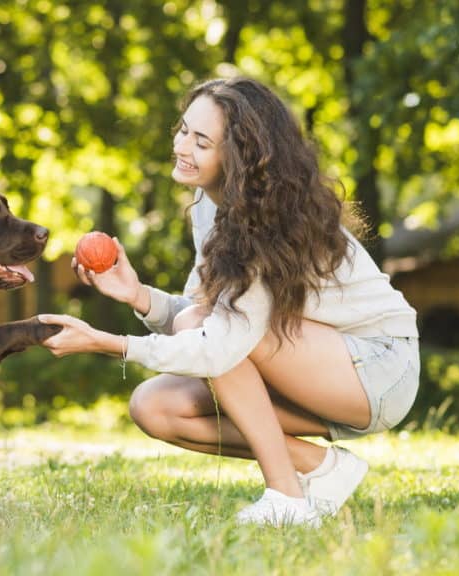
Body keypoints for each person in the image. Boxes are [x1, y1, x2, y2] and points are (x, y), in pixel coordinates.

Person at [38, 77, 419, 527]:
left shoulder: (265, 226)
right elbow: (204, 317)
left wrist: (110, 343)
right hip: (309, 362)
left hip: (377, 366)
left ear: (239, 157)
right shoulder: (210, 205)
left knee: (211, 330)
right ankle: (323, 468)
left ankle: (287, 498)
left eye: (201, 141)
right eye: (182, 130)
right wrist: (139, 297)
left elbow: (218, 343)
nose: (181, 146)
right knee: (154, 406)